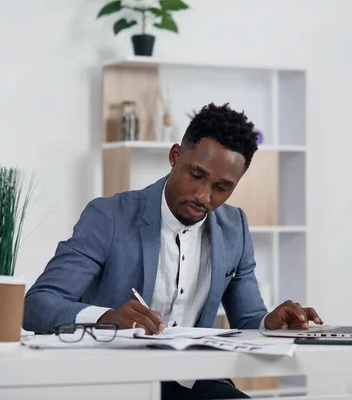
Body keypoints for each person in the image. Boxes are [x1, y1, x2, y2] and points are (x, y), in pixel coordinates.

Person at [23, 102, 323, 400]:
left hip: (192, 382)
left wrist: (270, 324)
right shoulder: (110, 216)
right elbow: (37, 305)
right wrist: (107, 320)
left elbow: (247, 322)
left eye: (222, 187)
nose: (203, 196)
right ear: (175, 155)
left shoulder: (235, 228)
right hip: (114, 382)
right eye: (197, 175)